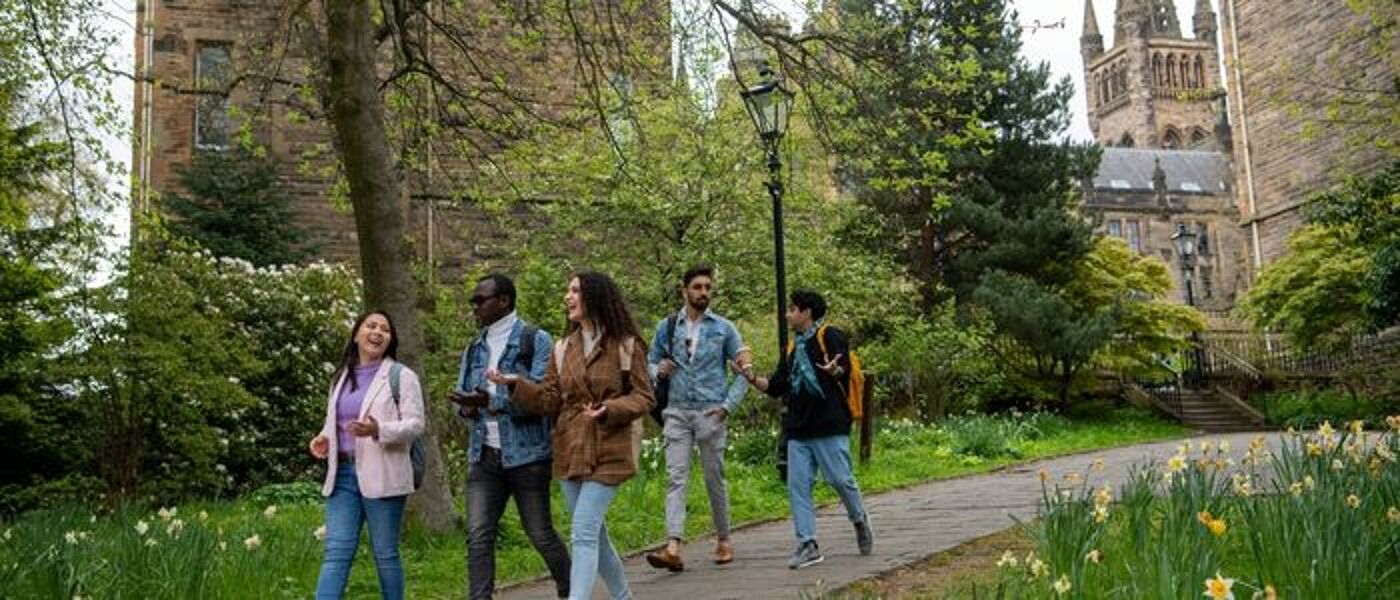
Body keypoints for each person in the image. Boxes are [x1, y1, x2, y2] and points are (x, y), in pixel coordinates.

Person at [487, 271, 654, 600]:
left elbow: (644, 397)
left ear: (595, 296)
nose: (568, 296)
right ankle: (624, 596)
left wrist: (609, 409)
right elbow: (549, 401)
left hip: (611, 447)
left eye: (575, 290)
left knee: (583, 530)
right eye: (568, 290)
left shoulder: (626, 345)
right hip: (570, 447)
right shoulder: (563, 348)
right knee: (594, 533)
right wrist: (515, 384)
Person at [450, 274, 570, 599]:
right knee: (477, 535)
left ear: (503, 301)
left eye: (480, 300)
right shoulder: (474, 347)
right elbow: (461, 397)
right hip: (483, 456)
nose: (474, 306)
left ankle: (571, 589)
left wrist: (491, 401)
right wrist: (466, 408)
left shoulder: (535, 340)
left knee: (540, 534)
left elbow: (542, 401)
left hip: (528, 456)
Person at [736, 290, 873, 570]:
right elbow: (776, 387)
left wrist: (834, 370)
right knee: (798, 486)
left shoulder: (829, 335)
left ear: (807, 312)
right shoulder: (791, 348)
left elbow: (843, 368)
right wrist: (750, 377)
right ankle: (808, 543)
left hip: (829, 422)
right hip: (798, 428)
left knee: (839, 479)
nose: (787, 314)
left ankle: (859, 518)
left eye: (792, 309)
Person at [308, 310, 425, 599]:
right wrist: (324, 438)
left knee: (385, 554)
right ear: (356, 334)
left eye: (385, 329)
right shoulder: (340, 378)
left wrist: (378, 429)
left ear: (390, 340)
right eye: (371, 326)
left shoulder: (401, 376)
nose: (377, 332)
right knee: (336, 552)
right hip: (344, 475)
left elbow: (416, 424)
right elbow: (334, 421)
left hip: (383, 472)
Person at [644, 264, 751, 571]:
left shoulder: (724, 328)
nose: (703, 292)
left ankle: (724, 539)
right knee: (675, 477)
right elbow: (650, 362)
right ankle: (673, 545)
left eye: (707, 287)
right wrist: (658, 370)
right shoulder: (667, 326)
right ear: (685, 291)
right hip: (676, 410)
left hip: (710, 411)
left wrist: (728, 406)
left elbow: (745, 372)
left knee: (713, 477)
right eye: (698, 287)